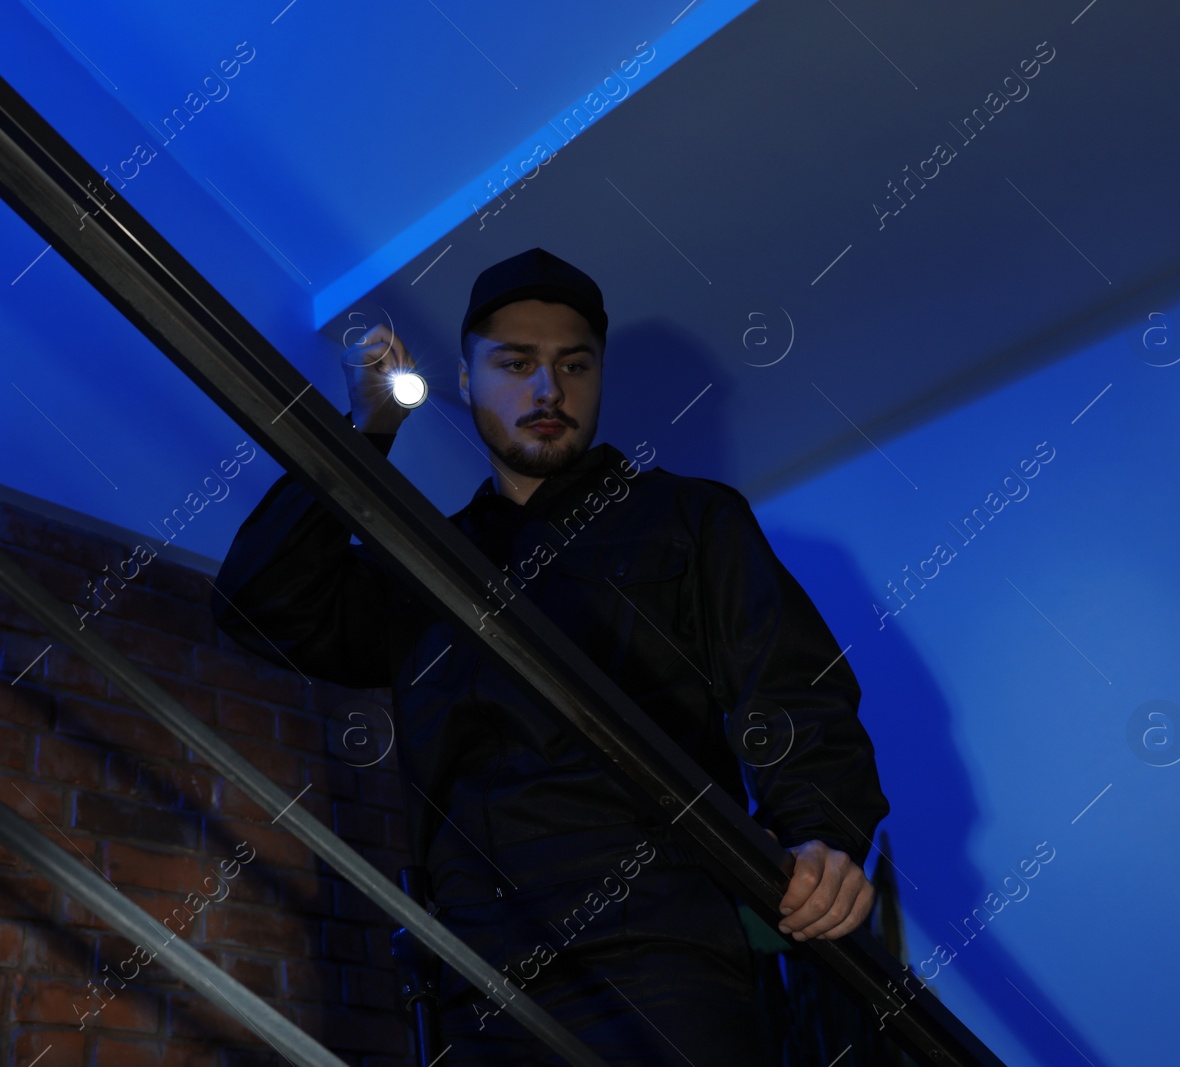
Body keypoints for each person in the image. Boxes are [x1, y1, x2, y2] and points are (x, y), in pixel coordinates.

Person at [211, 247, 889, 1064]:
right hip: (481, 973)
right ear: (464, 380)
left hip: (664, 952)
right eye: (515, 363)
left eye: (574, 364)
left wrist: (821, 830)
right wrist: (366, 431)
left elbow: (789, 683)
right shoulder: (425, 564)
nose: (547, 390)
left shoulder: (689, 518)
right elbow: (259, 603)